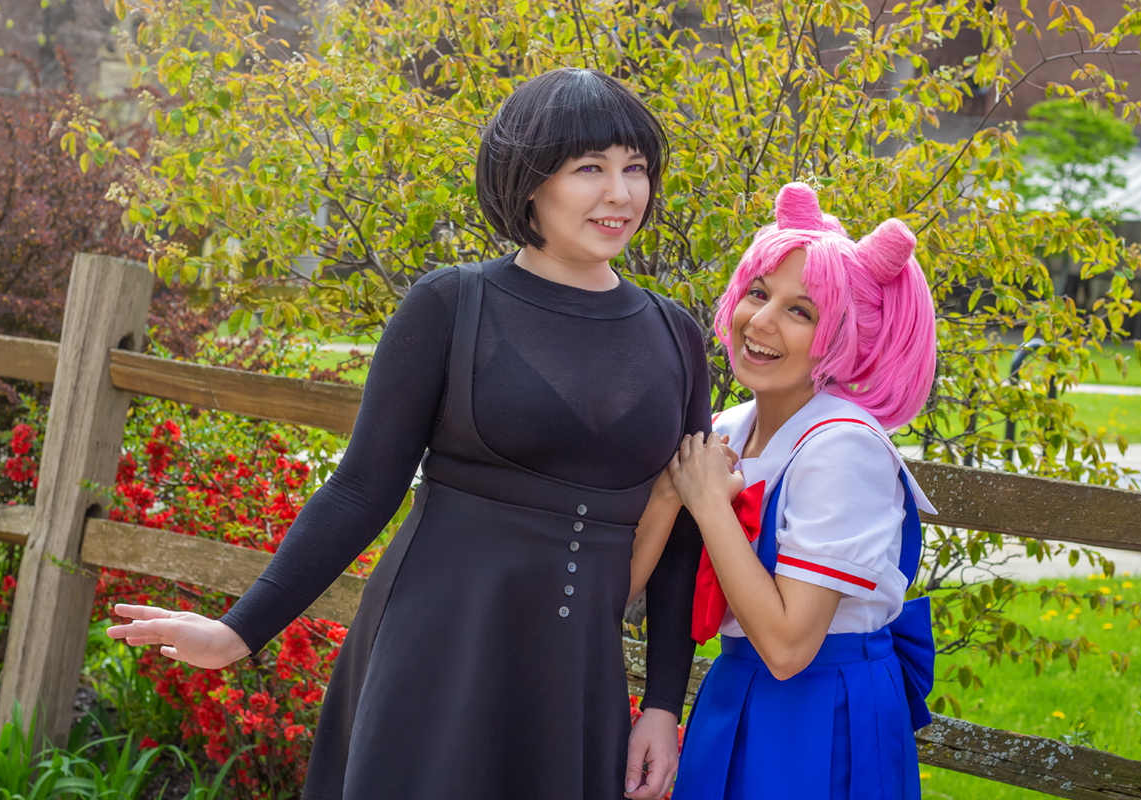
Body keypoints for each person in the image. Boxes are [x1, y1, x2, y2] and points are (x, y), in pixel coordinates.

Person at [107, 68, 710, 800]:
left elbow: (684, 535)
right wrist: (238, 631)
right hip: (435, 651)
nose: (620, 193)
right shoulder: (451, 304)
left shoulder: (676, 337)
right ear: (530, 181)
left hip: (578, 677)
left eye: (634, 168)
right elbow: (361, 488)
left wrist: (662, 705)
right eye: (590, 168)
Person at [666, 183, 938, 799]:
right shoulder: (729, 427)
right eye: (759, 293)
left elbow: (789, 648)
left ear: (845, 336)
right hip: (734, 687)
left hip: (823, 713)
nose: (761, 321)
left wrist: (709, 504)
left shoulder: (845, 447)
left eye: (801, 312)